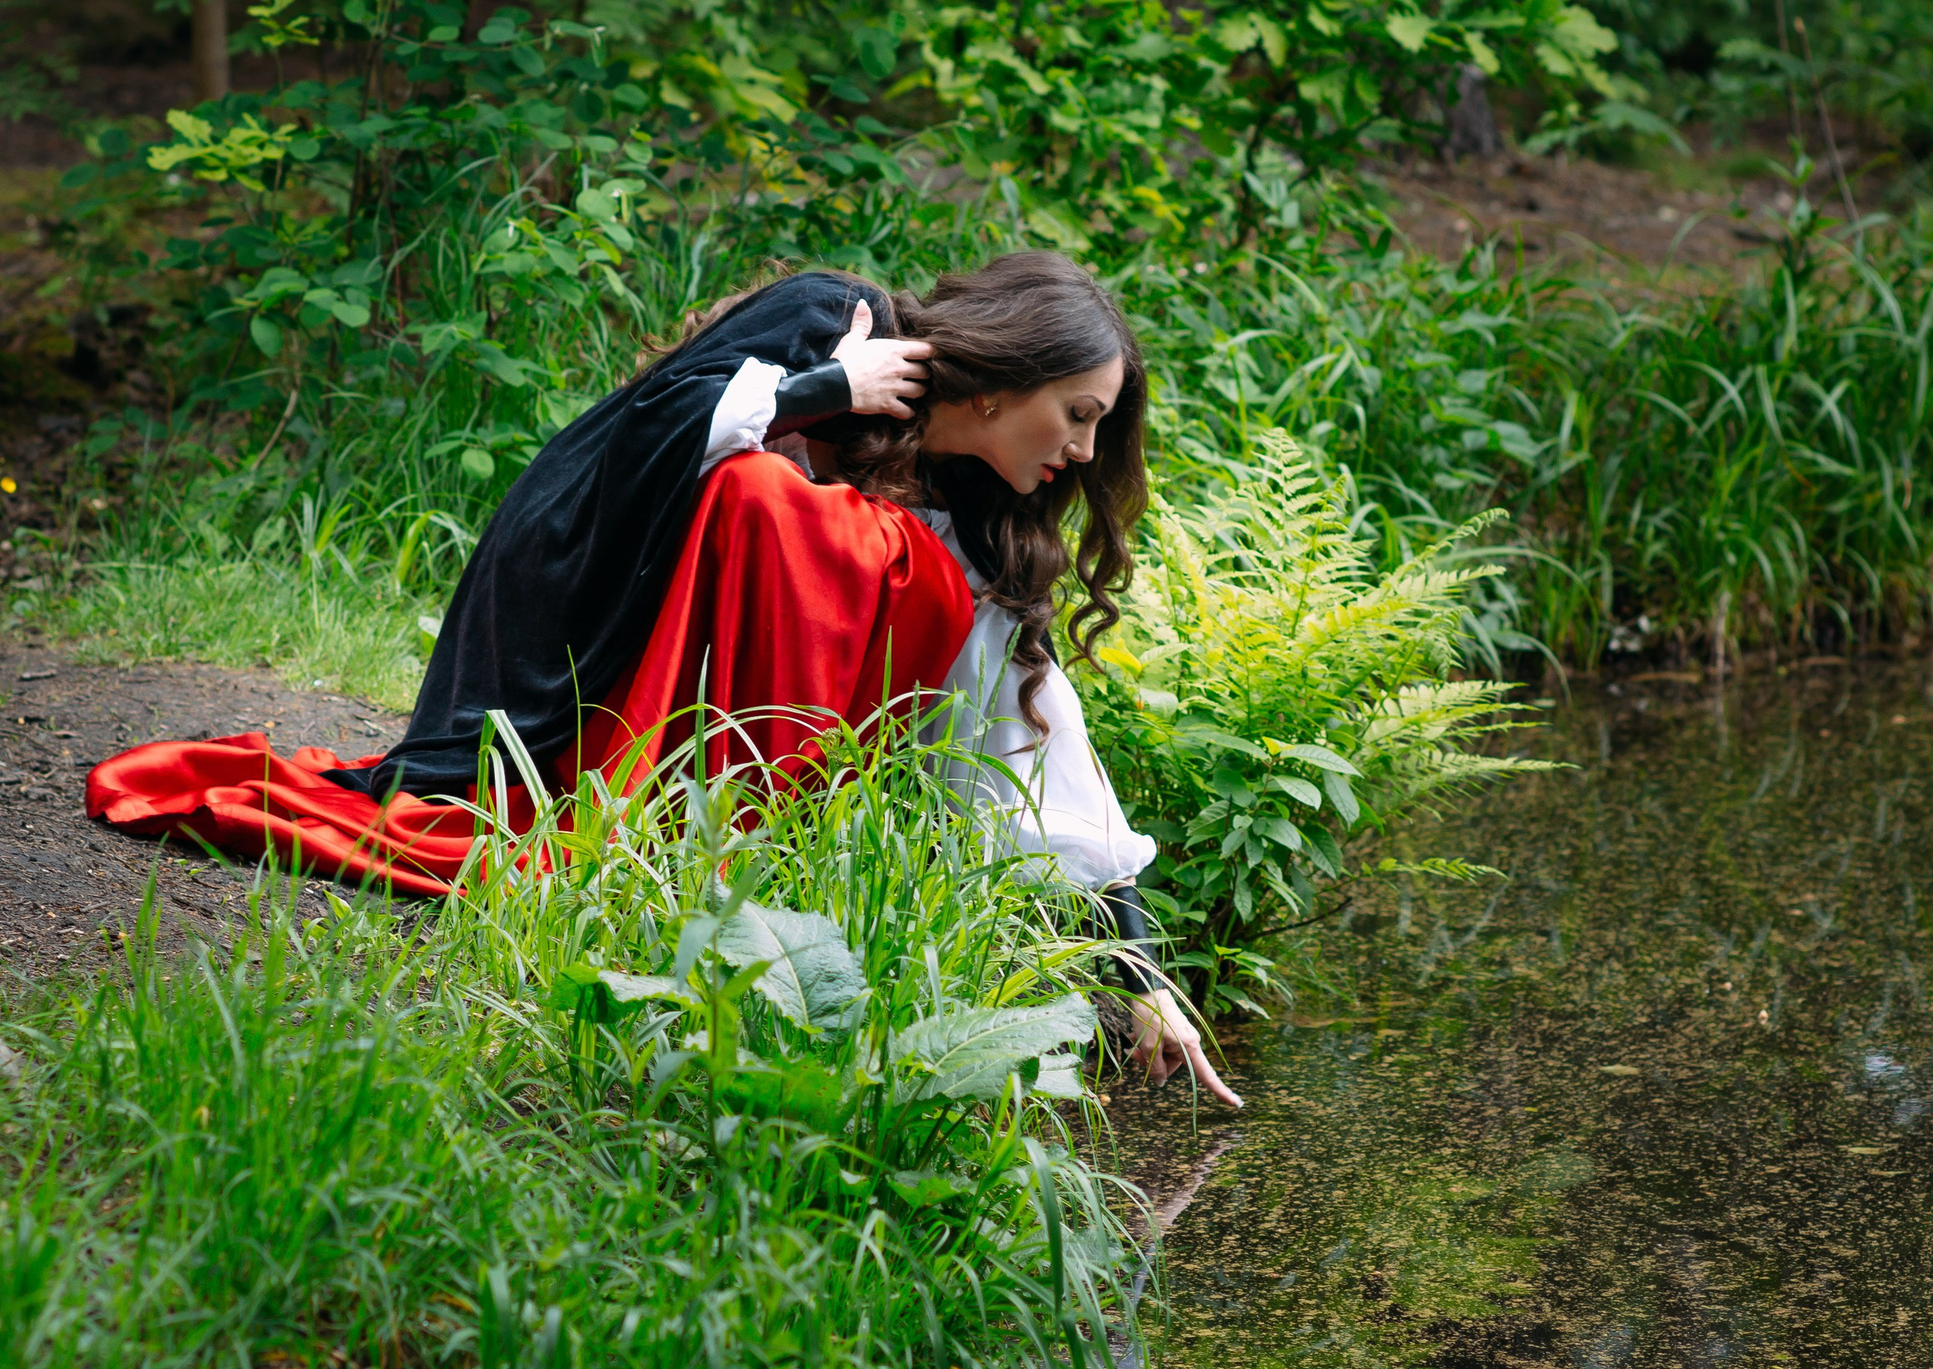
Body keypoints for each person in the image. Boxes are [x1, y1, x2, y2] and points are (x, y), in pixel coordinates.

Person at [87, 252, 1239, 1107]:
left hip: (716, 722)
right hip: (583, 622)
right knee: (781, 501)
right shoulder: (836, 319)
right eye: (1077, 414)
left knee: (903, 569)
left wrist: (1135, 969)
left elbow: (1041, 742)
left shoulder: (983, 516)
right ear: (1003, 380)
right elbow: (630, 445)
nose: (1084, 452)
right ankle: (681, 824)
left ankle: (751, 848)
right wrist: (819, 391)